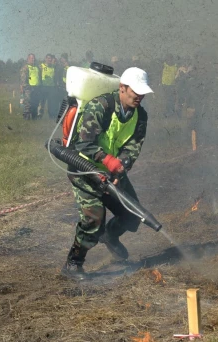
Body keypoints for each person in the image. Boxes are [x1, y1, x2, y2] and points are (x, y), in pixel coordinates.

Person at [61, 67, 154, 280]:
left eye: (142, 93)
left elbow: (133, 147)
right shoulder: (99, 107)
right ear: (122, 88)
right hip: (83, 169)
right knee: (93, 220)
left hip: (111, 171)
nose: (139, 96)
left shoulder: (141, 116)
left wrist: (121, 167)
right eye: (135, 91)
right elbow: (84, 143)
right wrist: (107, 160)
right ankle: (73, 263)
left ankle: (110, 236)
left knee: (133, 214)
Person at [20, 53, 41, 120]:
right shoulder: (25, 68)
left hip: (36, 88)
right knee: (28, 103)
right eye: (31, 58)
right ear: (28, 59)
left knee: (35, 103)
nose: (33, 59)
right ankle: (26, 117)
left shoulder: (37, 67)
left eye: (33, 58)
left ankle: (34, 117)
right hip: (29, 88)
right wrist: (25, 87)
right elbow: (23, 79)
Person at [39, 54, 58, 118]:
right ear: (45, 59)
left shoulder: (53, 67)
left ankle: (51, 116)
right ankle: (40, 115)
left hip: (51, 87)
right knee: (42, 102)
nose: (49, 59)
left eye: (50, 58)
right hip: (43, 87)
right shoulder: (41, 66)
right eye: (48, 58)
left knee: (51, 102)